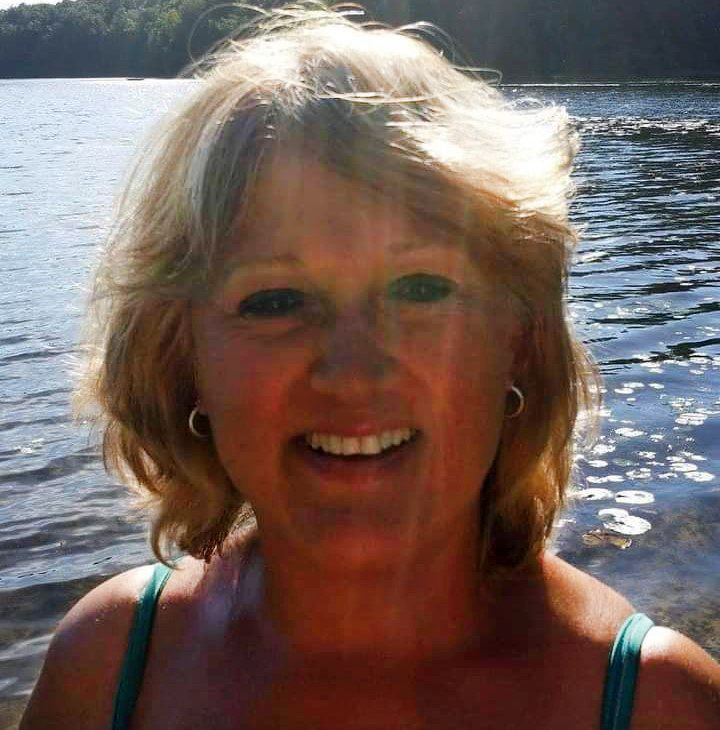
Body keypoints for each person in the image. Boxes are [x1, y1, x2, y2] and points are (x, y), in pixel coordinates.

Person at [20, 4, 720, 729]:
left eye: (420, 289)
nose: (353, 373)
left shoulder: (657, 705)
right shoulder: (106, 667)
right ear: (181, 358)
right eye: (277, 300)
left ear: (520, 338)